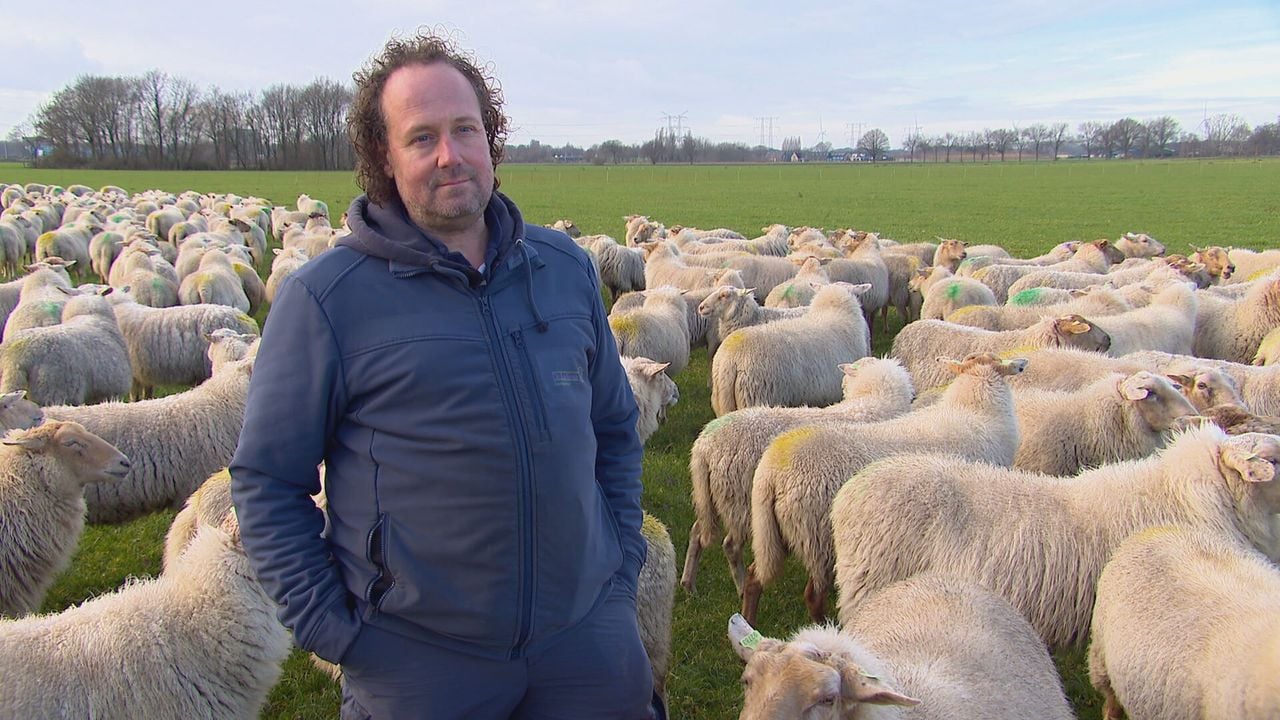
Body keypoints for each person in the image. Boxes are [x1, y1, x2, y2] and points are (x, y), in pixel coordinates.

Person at [229, 30, 653, 720]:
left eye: (466, 129)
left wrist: (620, 565)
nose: (451, 155)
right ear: (384, 158)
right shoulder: (326, 299)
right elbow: (268, 480)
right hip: (422, 662)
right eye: (422, 138)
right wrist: (334, 630)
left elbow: (613, 428)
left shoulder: (565, 269)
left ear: (492, 138)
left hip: (586, 646)